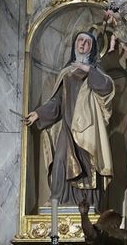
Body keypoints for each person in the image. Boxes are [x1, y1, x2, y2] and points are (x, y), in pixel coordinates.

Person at [25, 30, 116, 219]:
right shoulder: (65, 73)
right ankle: (59, 198)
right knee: (60, 162)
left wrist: (88, 70)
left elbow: (106, 88)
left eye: (88, 43)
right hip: (67, 126)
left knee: (88, 162)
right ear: (75, 45)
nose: (83, 45)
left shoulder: (96, 72)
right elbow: (56, 102)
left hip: (88, 128)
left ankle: (88, 203)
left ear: (92, 49)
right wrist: (38, 113)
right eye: (80, 41)